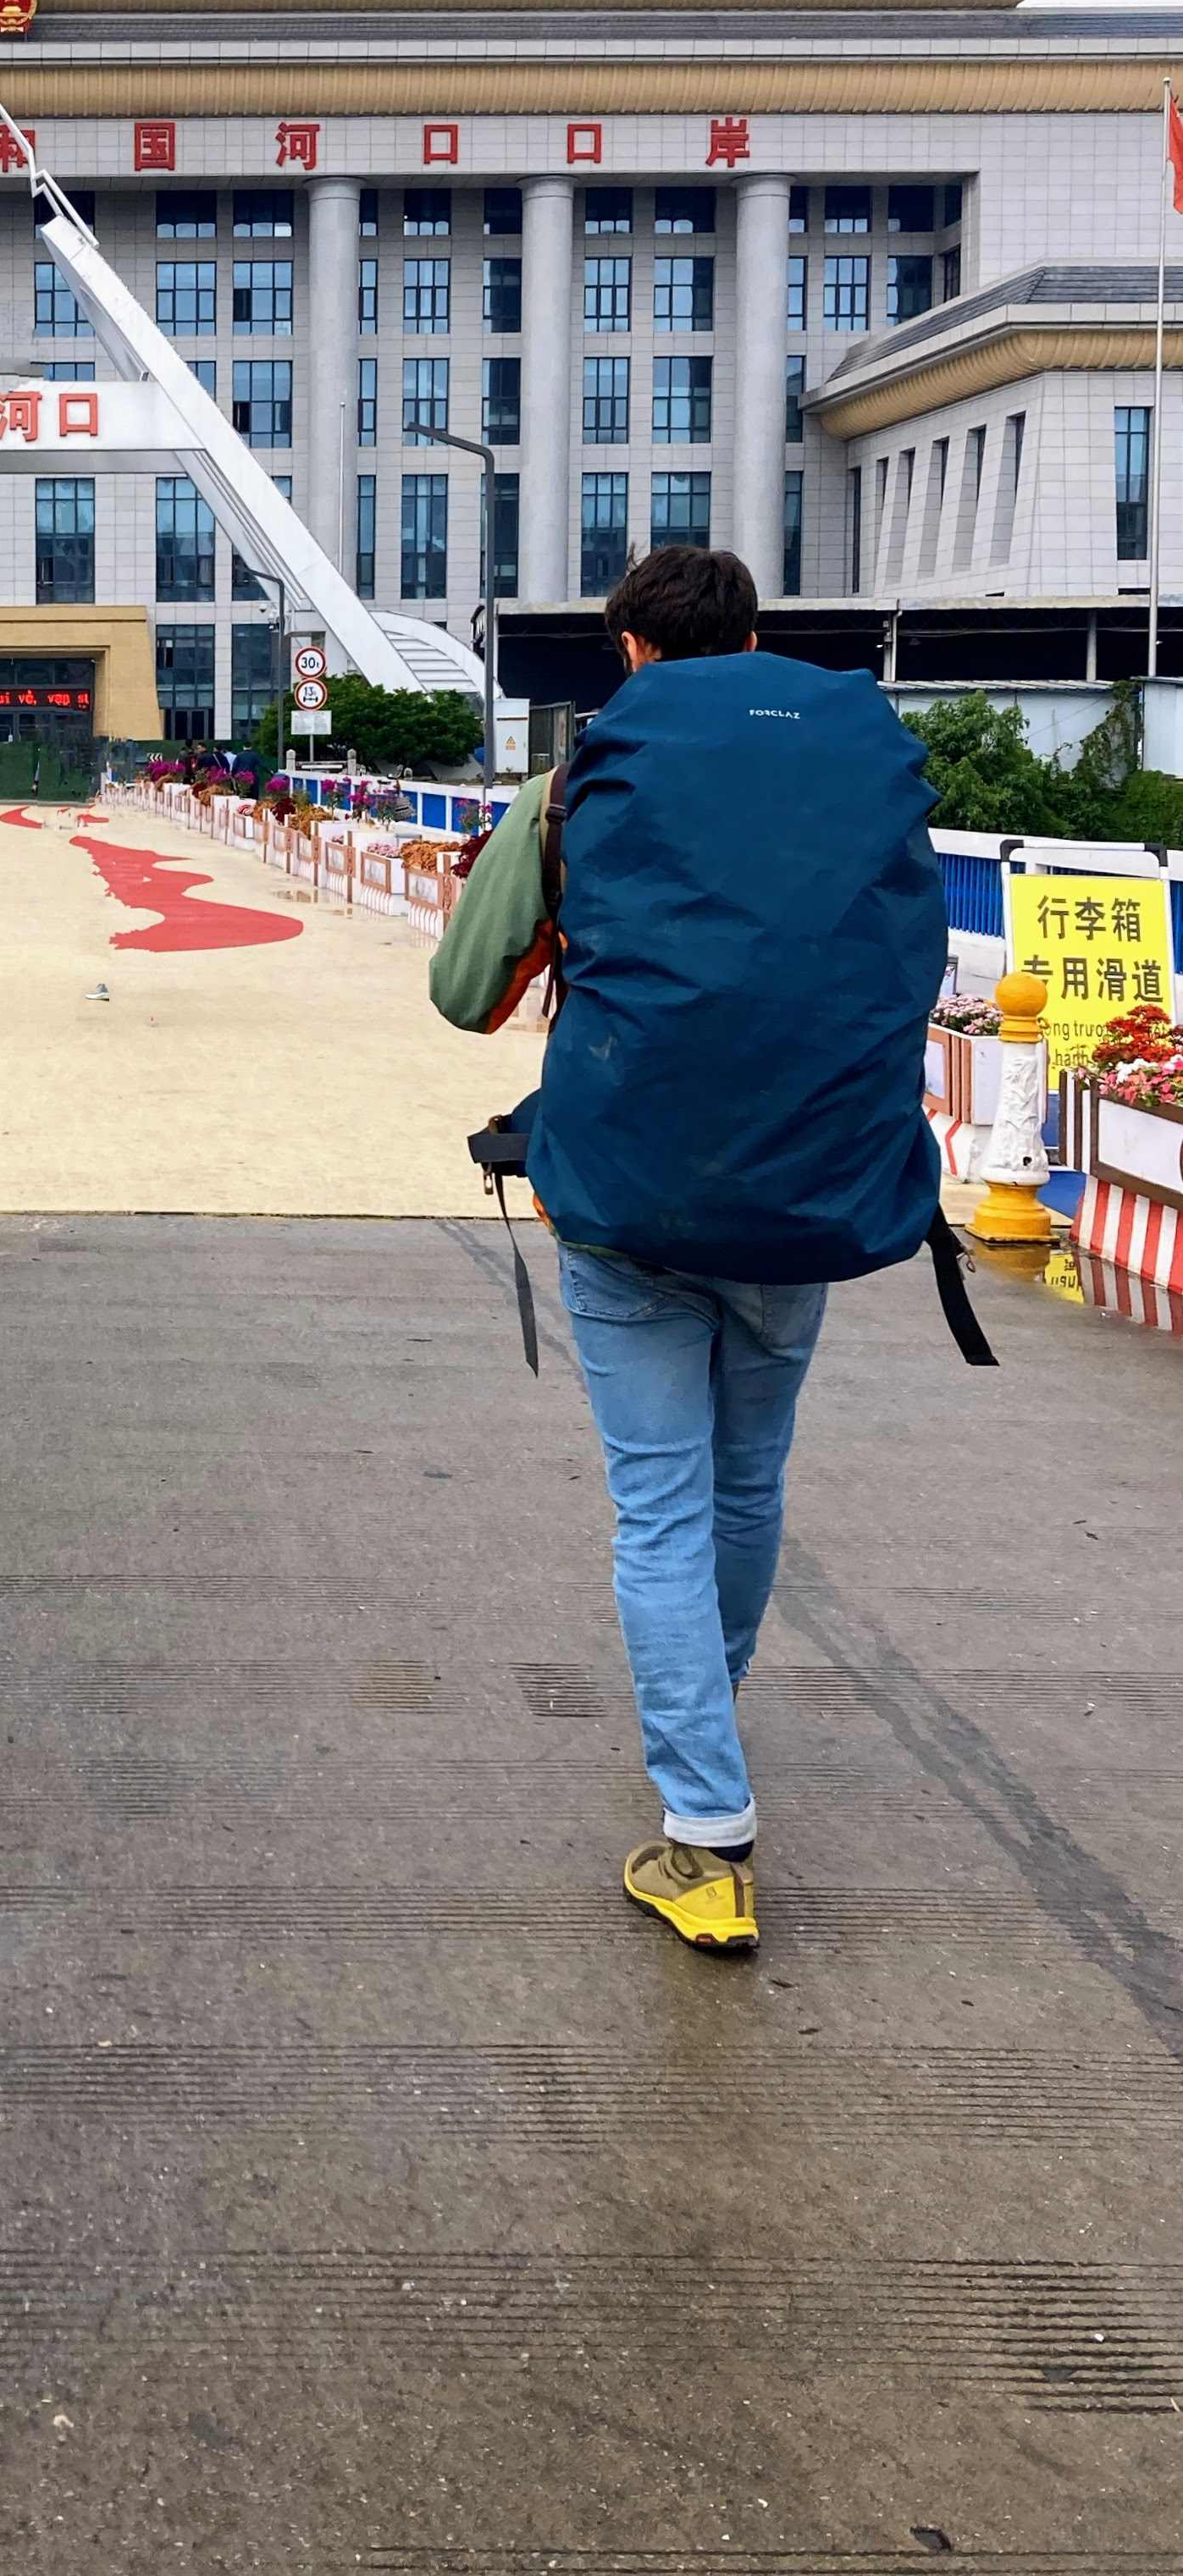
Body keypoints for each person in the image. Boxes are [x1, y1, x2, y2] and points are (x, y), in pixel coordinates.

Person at [431, 547, 946, 1959]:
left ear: (633, 654)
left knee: (658, 1512)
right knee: (746, 1484)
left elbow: (466, 992)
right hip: (809, 1196)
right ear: (759, 640)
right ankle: (700, 1719)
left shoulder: (575, 790)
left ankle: (706, 1829)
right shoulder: (854, 782)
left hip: (629, 1202)